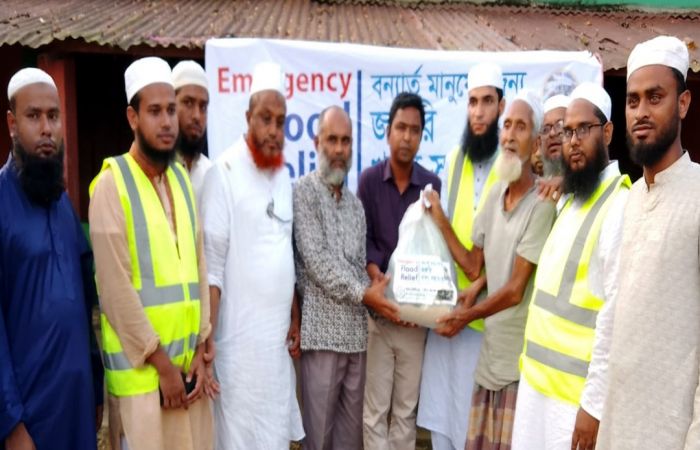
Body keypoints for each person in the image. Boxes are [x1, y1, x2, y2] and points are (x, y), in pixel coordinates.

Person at [89, 56, 213, 450]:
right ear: (133, 117)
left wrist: (201, 347)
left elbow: (199, 264)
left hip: (188, 376)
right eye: (155, 111)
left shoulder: (180, 178)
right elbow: (115, 292)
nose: (167, 122)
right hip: (144, 383)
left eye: (171, 110)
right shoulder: (111, 185)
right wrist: (162, 365)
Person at [427, 90, 555, 449]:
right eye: (507, 126)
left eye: (521, 127)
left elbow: (515, 290)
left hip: (519, 367)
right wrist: (440, 221)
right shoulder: (496, 192)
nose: (510, 135)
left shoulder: (541, 205)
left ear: (537, 143)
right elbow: (473, 264)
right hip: (489, 361)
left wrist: (466, 317)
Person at [512, 83, 630, 450]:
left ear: (607, 132)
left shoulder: (618, 204)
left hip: (572, 402)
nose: (573, 141)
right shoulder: (571, 200)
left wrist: (593, 406)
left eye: (584, 130)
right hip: (535, 385)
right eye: (567, 131)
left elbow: (613, 317)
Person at [596, 35, 700, 450]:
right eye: (632, 100)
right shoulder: (629, 200)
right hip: (617, 428)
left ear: (683, 103)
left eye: (655, 97)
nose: (640, 112)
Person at [200, 62, 304, 449]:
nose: (274, 130)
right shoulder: (223, 172)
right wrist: (207, 340)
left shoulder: (283, 176)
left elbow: (282, 249)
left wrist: (294, 312)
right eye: (265, 119)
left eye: (281, 121)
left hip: (274, 352)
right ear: (248, 118)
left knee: (274, 438)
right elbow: (213, 267)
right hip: (237, 351)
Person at [0, 68, 104, 450]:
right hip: (27, 420)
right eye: (34, 116)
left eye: (53, 116)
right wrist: (10, 424)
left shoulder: (63, 205)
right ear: (12, 124)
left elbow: (84, 307)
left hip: (77, 410)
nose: (46, 129)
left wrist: (95, 390)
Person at [294, 105, 400, 450]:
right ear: (317, 143)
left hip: (357, 339)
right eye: (332, 140)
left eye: (346, 141)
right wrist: (367, 295)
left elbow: (357, 267)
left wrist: (388, 302)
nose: (339, 149)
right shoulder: (303, 194)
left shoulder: (355, 206)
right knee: (319, 438)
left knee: (350, 441)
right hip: (322, 338)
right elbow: (317, 263)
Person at [418, 62, 505, 450]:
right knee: (443, 421)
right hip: (448, 311)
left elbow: (499, 254)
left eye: (487, 101)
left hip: (485, 318)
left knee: (474, 424)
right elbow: (444, 240)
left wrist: (439, 219)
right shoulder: (455, 158)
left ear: (501, 106)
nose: (479, 111)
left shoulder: (512, 165)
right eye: (472, 102)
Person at [358, 92, 442, 450]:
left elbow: (434, 250)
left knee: (405, 412)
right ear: (388, 131)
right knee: (375, 411)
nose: (407, 137)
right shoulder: (368, 181)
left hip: (413, 322)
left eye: (415, 130)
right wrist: (374, 273)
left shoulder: (431, 187)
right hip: (379, 316)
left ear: (422, 136)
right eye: (401, 128)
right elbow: (362, 239)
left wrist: (418, 305)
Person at [172, 60, 211, 204]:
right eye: (188, 103)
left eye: (203, 107)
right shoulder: (155, 169)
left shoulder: (211, 173)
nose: (197, 116)